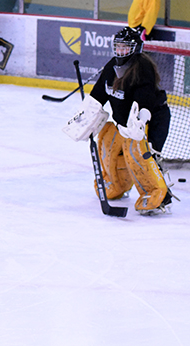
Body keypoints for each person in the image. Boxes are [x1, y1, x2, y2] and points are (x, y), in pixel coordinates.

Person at [68, 27, 174, 215]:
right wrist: (87, 117)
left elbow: (145, 98)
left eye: (125, 47)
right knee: (108, 142)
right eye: (118, 47)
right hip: (123, 124)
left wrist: (141, 121)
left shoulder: (143, 67)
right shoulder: (112, 66)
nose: (120, 51)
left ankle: (159, 196)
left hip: (150, 121)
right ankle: (115, 186)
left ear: (135, 49)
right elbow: (100, 93)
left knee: (141, 154)